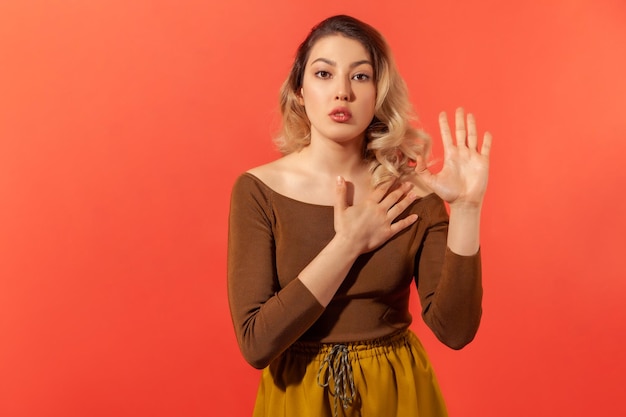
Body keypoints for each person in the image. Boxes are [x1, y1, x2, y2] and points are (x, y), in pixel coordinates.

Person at [227, 14, 492, 417]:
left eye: (361, 77)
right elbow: (257, 344)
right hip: (297, 398)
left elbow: (455, 331)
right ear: (300, 91)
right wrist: (348, 244)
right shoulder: (259, 191)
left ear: (378, 93)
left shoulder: (412, 192)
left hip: (398, 394)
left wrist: (467, 209)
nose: (342, 92)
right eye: (323, 73)